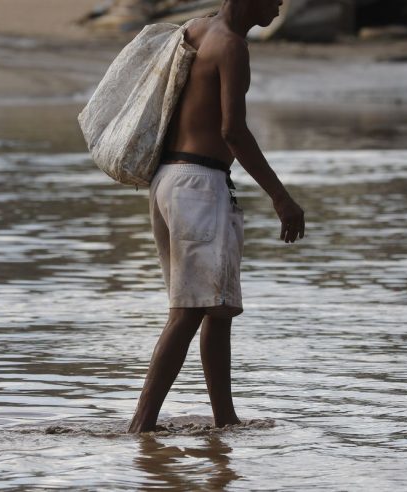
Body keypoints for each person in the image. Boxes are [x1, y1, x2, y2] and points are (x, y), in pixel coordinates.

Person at [128, 0, 305, 434]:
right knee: (187, 312)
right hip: (198, 187)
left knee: (217, 309)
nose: (281, 3)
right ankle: (140, 426)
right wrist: (281, 198)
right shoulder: (231, 46)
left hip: (171, 179)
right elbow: (233, 130)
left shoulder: (196, 28)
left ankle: (225, 422)